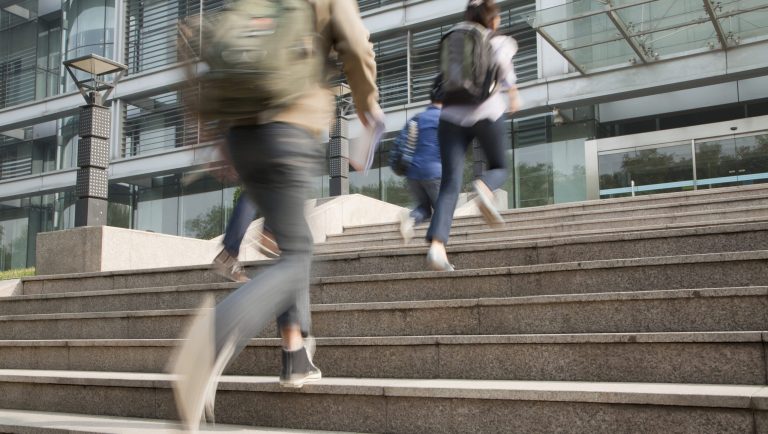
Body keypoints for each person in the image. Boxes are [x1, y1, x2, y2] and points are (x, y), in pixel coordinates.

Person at [170, 0, 380, 429]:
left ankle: (295, 355)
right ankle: (214, 338)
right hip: (291, 129)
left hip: (243, 137)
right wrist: (368, 102)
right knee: (298, 255)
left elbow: (194, 36)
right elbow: (357, 45)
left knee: (290, 240)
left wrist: (212, 130)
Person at [425, 0, 521, 271]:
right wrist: (513, 94)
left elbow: (445, 77)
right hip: (486, 112)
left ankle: (437, 247)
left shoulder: (455, 35)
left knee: (449, 185)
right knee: (499, 166)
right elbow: (504, 71)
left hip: (450, 117)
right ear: (492, 19)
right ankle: (484, 187)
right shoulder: (500, 41)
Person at [395, 75, 444, 242]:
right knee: (443, 211)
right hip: (435, 173)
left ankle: (411, 218)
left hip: (413, 173)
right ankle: (438, 251)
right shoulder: (444, 119)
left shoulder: (417, 118)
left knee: (424, 208)